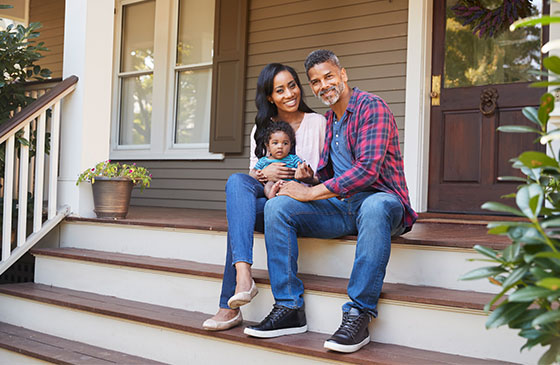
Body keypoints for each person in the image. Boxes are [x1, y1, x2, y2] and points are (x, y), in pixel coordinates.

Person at [244, 50, 418, 353]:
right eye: (315, 81)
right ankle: (288, 308)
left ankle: (358, 313)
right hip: (343, 206)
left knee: (375, 206)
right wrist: (306, 178)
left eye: (328, 76)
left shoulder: (371, 107)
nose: (323, 85)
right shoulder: (331, 120)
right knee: (278, 205)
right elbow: (328, 174)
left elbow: (366, 172)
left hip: (383, 202)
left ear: (343, 74)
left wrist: (312, 192)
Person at [202, 63, 326, 330]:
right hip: (269, 196)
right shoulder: (261, 129)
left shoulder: (317, 123)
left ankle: (228, 307)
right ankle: (244, 276)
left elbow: (327, 175)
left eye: (292, 85)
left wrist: (307, 177)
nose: (289, 93)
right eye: (279, 90)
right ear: (270, 96)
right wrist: (265, 171)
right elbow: (250, 176)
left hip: (299, 202)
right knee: (237, 182)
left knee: (239, 220)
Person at [252, 121, 304, 199]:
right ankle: (271, 195)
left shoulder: (293, 159)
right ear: (268, 146)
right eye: (275, 143)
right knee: (268, 185)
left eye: (285, 143)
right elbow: (253, 172)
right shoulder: (264, 161)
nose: (280, 146)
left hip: (289, 184)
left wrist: (302, 170)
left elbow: (302, 168)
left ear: (291, 145)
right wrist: (258, 174)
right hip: (272, 184)